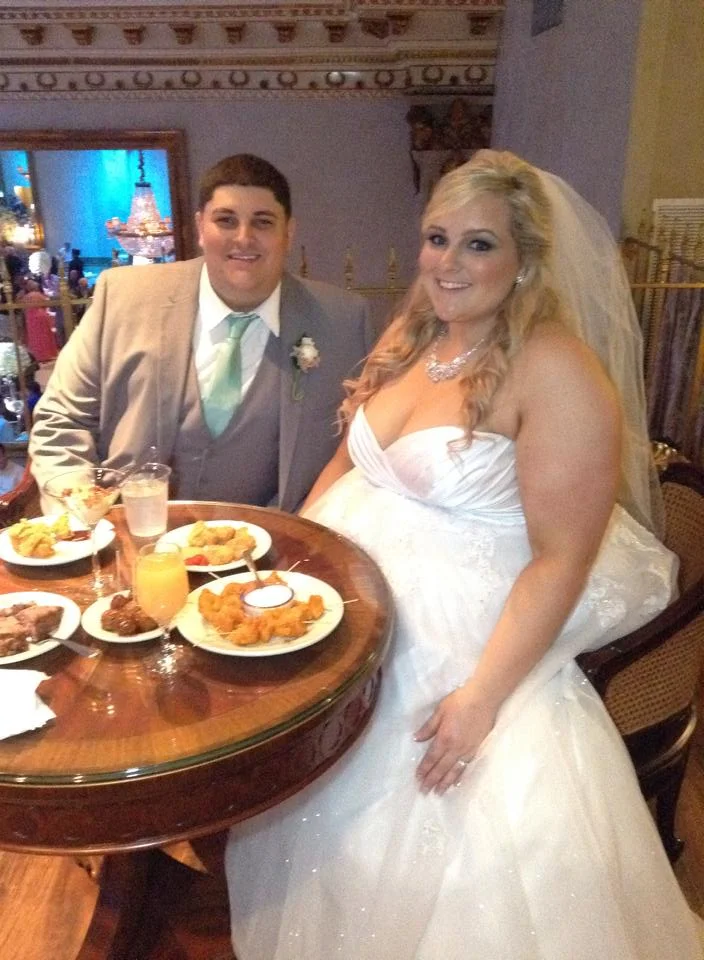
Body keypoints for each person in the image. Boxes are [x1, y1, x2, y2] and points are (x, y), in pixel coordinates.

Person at [224, 151, 701, 959]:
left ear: (525, 261)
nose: (448, 264)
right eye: (437, 238)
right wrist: (287, 564)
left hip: (468, 628)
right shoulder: (416, 338)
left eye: (479, 244)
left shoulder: (556, 369)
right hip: (350, 609)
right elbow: (347, 463)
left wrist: (480, 699)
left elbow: (561, 557)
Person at [29, 154, 374, 510]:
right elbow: (61, 419)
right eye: (225, 220)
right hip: (131, 537)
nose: (243, 238)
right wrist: (83, 514)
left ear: (288, 233)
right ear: (199, 228)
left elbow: (357, 450)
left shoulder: (343, 323)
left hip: (273, 551)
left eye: (263, 222)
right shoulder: (123, 297)